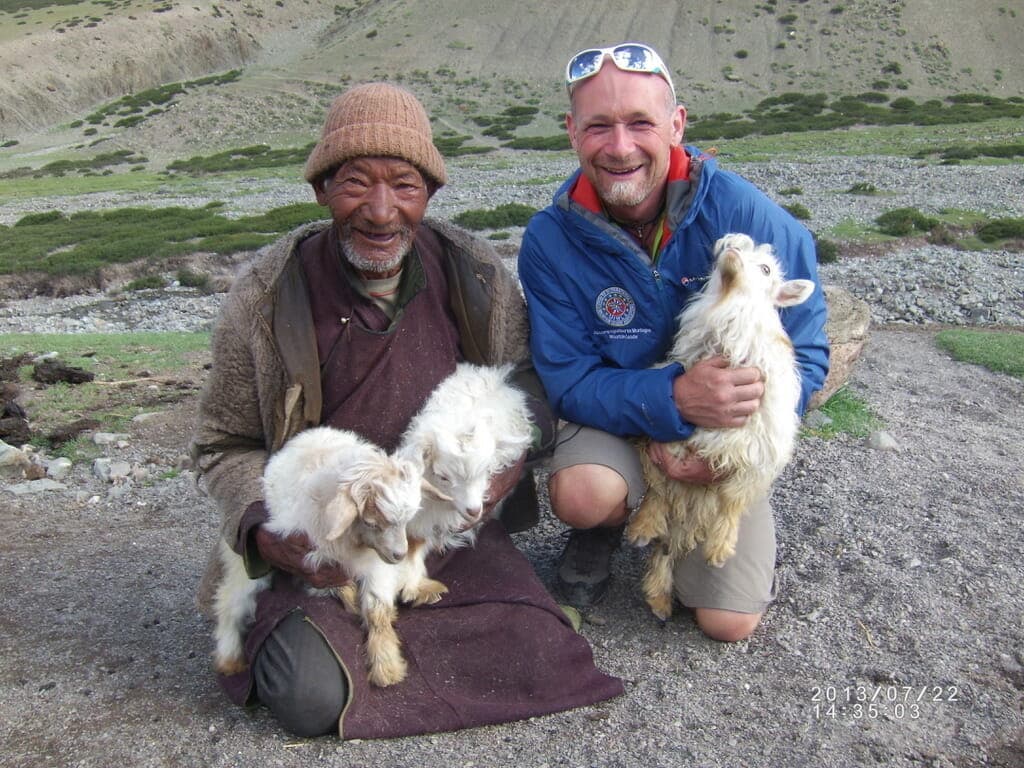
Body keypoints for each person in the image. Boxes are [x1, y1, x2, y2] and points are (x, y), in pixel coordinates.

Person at [190, 82, 621, 739]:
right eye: (356, 183)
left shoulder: (472, 273)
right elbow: (224, 444)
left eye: (405, 186)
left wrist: (501, 467)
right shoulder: (265, 297)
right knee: (309, 695)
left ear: (431, 195)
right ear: (321, 189)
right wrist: (264, 527)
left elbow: (528, 386)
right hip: (323, 548)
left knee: (547, 650)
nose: (382, 212)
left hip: (441, 540)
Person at [517, 43, 829, 642]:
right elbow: (569, 379)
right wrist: (674, 401)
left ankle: (696, 527)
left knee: (728, 622)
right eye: (599, 126)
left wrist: (735, 445)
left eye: (640, 122)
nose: (620, 146)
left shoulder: (751, 218)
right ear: (572, 132)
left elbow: (807, 352)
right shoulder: (551, 239)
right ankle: (604, 529)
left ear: (677, 125)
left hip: (724, 430)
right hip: (619, 413)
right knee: (585, 494)